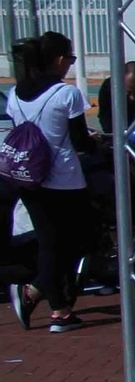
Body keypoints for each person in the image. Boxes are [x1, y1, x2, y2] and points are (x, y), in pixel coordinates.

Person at [7, 34, 97, 333]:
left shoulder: (15, 93)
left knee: (50, 242)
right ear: (59, 59)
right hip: (64, 177)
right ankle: (55, 307)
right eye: (70, 60)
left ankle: (47, 298)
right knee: (77, 239)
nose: (70, 65)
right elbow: (81, 140)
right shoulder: (65, 94)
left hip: (27, 175)